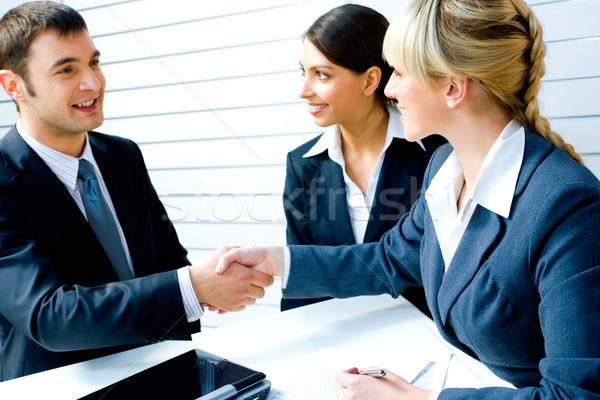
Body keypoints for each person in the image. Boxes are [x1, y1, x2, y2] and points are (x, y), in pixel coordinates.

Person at [214, 0, 600, 398]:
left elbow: (576, 394)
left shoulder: (569, 207)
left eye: (398, 71)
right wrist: (275, 260)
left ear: (452, 87)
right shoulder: (444, 169)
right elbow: (386, 259)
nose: (390, 88)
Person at [0, 1, 273, 381]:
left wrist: (215, 284)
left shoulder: (122, 155)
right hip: (62, 385)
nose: (92, 83)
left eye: (93, 62)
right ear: (14, 86)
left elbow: (167, 262)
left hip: (165, 371)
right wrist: (193, 288)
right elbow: (51, 317)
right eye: (66, 70)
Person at [283, 4, 444, 313]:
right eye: (304, 72)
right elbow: (300, 283)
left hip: (422, 342)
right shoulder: (301, 164)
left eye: (321, 74)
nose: (304, 90)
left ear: (370, 80)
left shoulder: (436, 152)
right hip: (337, 346)